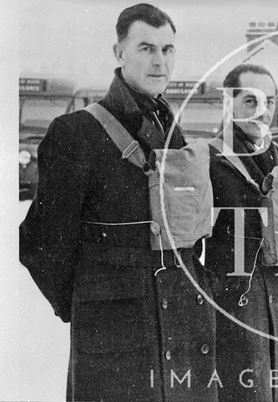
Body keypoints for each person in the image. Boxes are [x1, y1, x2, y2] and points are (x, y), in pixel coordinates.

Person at [19, 4, 218, 401]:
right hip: (115, 340)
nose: (159, 61)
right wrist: (91, 303)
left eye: (167, 49)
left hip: (180, 326)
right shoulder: (76, 132)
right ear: (119, 52)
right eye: (146, 48)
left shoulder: (173, 132)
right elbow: (40, 243)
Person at [206, 63, 278, 401]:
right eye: (250, 102)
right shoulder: (208, 159)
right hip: (241, 309)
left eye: (268, 102)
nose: (261, 112)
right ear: (229, 104)